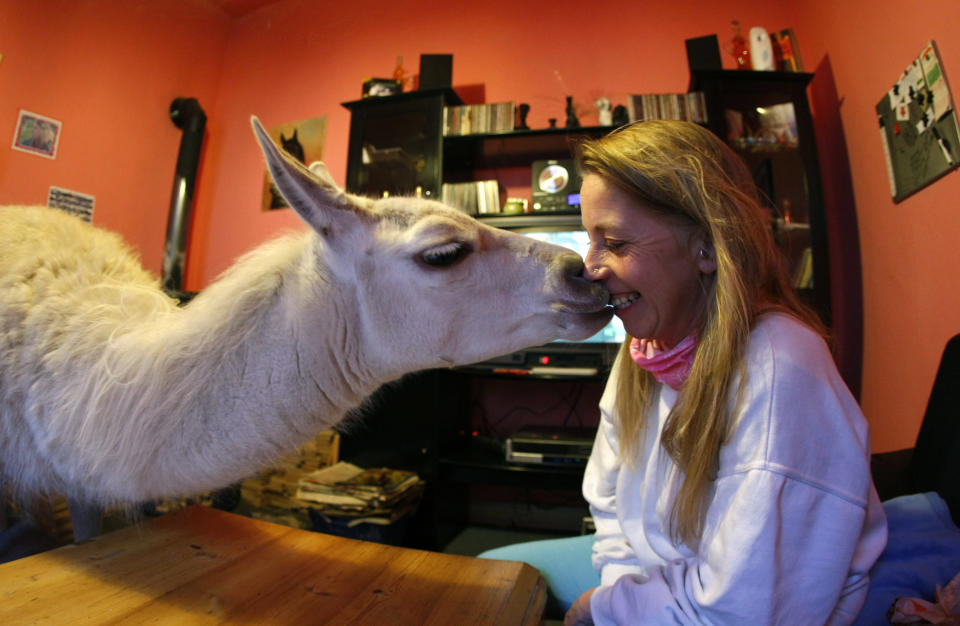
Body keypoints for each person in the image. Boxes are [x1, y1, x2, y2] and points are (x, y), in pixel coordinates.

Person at [478, 120, 887, 624]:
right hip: (660, 580)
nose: (591, 266)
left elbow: (742, 610)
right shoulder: (645, 348)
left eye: (617, 243)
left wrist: (604, 611)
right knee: (486, 578)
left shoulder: (781, 372)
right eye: (590, 240)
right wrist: (617, 593)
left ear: (707, 248)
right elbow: (607, 505)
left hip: (729, 607)